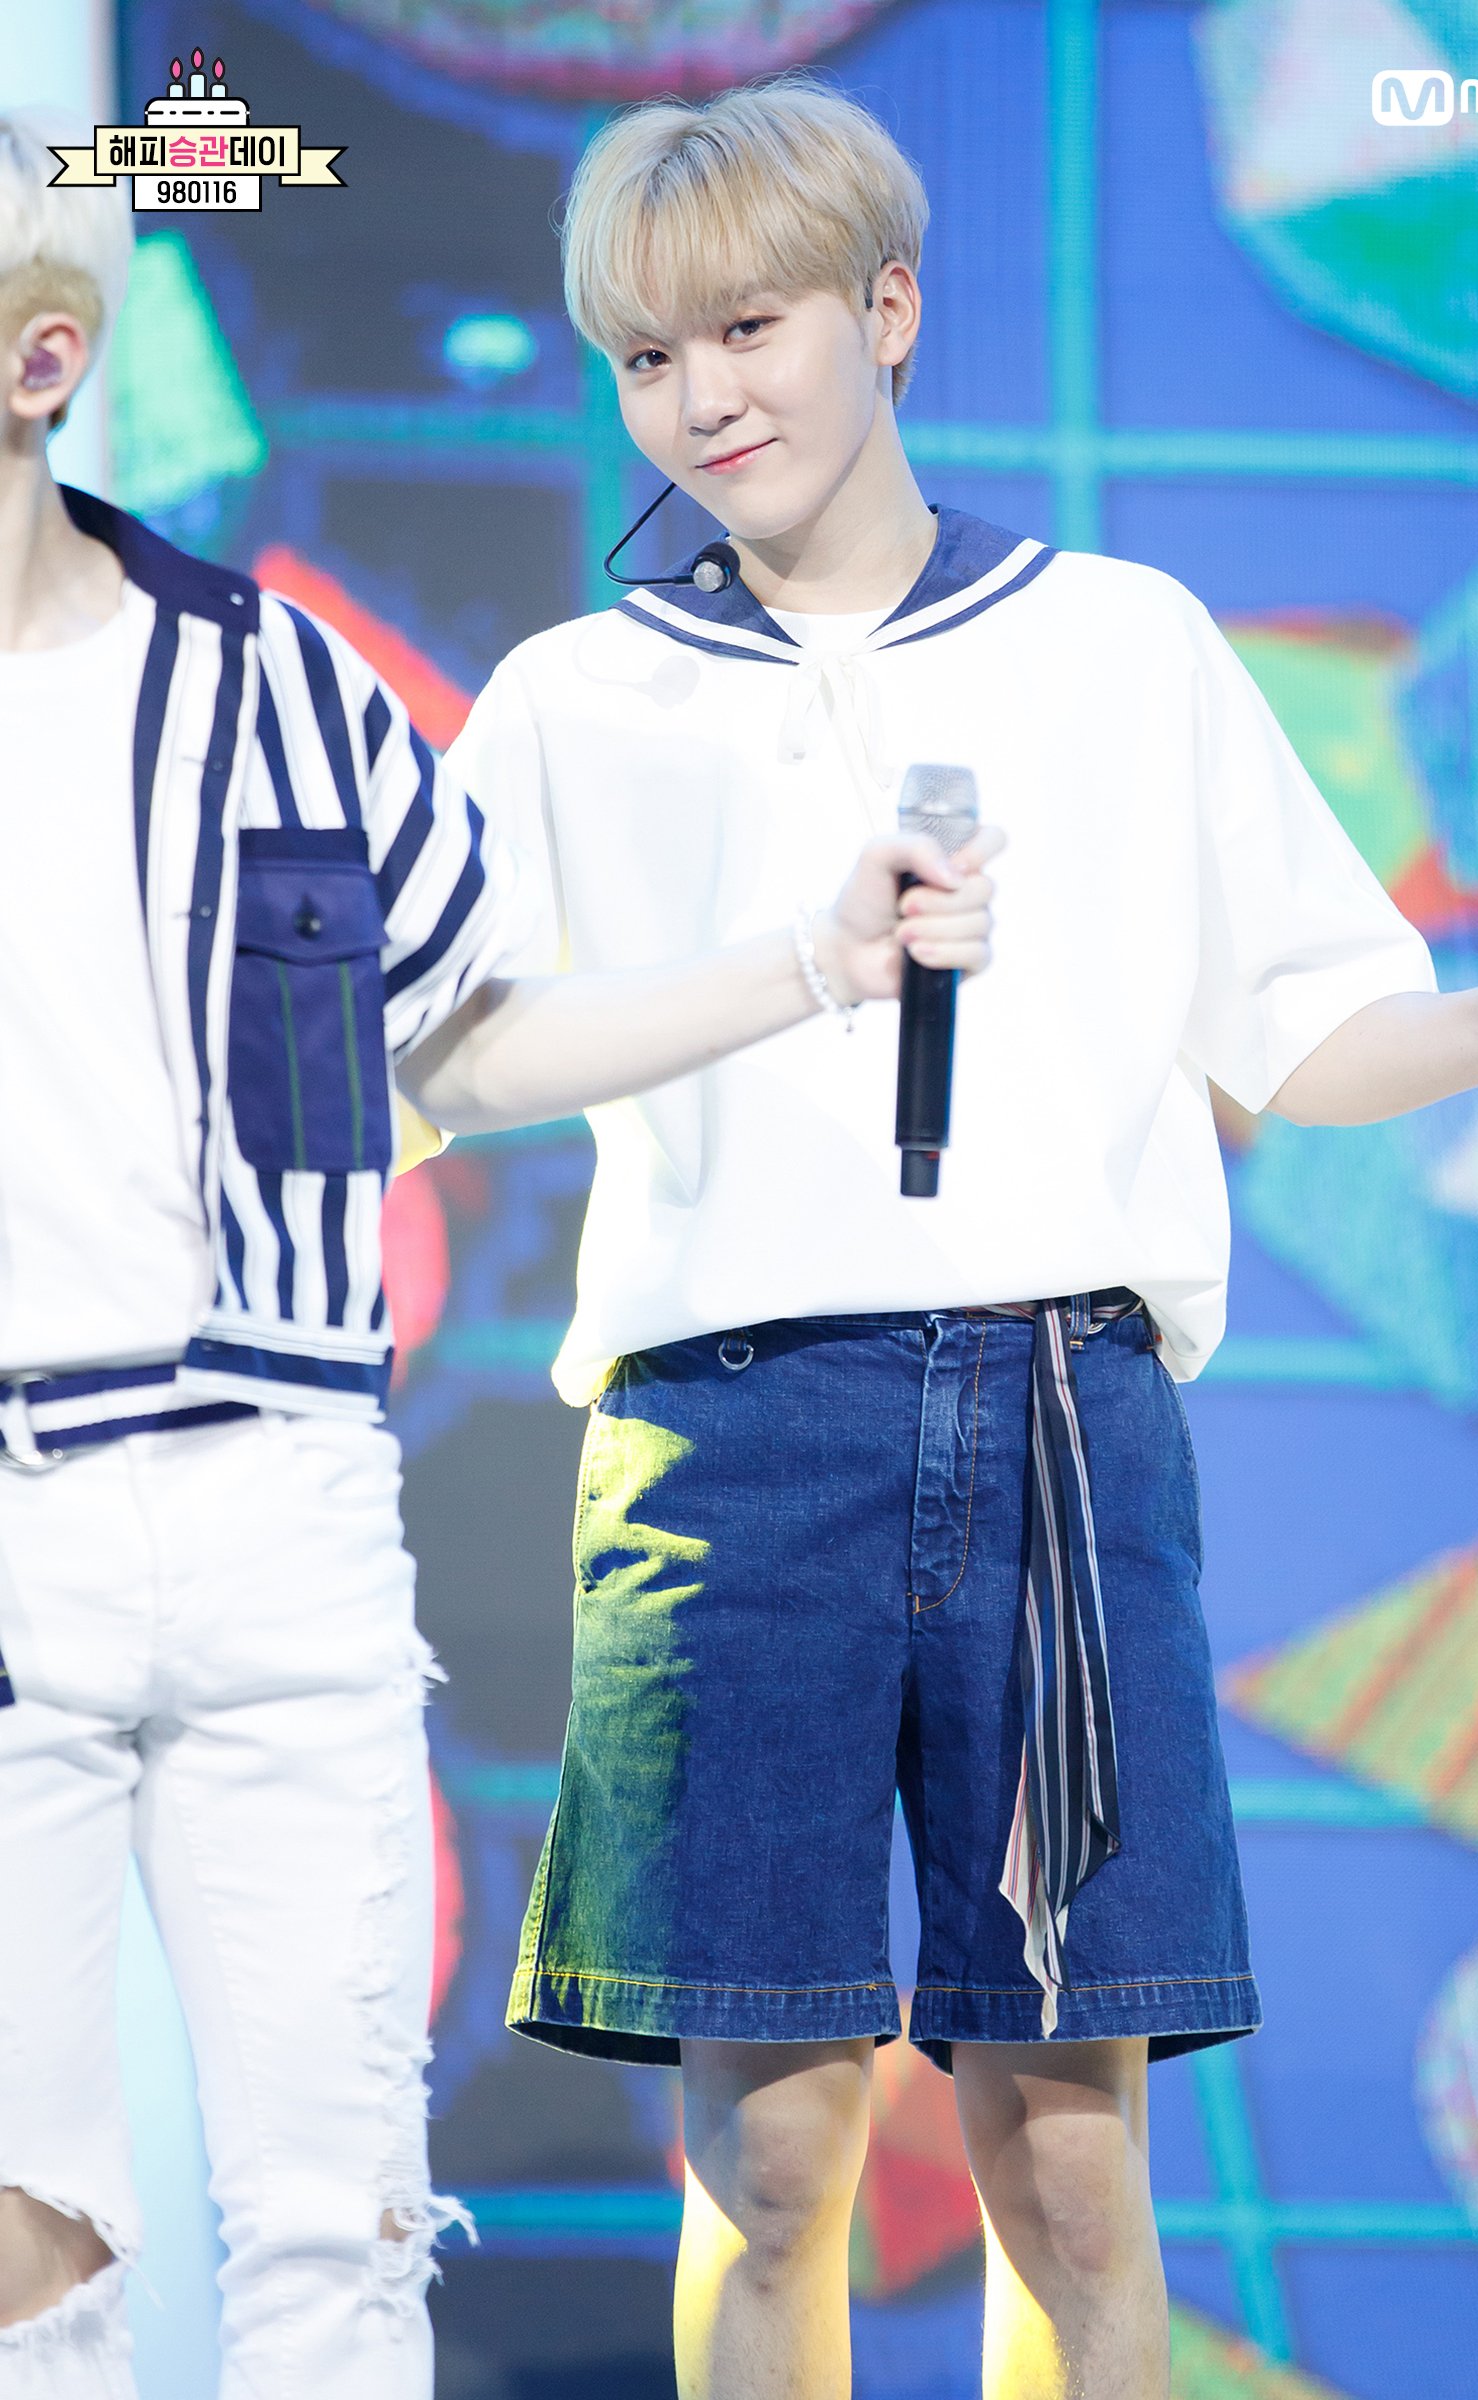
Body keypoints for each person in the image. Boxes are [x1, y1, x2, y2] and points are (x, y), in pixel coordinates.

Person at [448, 75, 1478, 2400]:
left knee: (1068, 2162)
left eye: (748, 329)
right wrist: (795, 964)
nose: (702, 397)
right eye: (647, 357)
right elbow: (456, 1059)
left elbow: (1301, 1030)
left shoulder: (1119, 644)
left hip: (1060, 1426)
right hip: (723, 1446)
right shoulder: (579, 696)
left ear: (884, 308)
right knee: (771, 2156)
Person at [0, 107, 995, 2400]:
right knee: (31, 2249)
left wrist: (812, 962)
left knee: (338, 2233)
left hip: (277, 1508)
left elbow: (463, 1036)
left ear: (43, 362)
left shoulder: (272, 683)